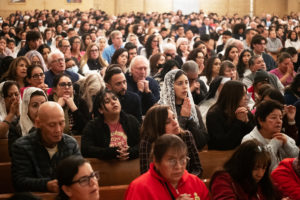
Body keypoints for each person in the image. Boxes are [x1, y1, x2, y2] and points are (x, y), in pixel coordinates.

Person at [11, 102, 81, 192]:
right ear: (38, 123)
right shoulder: (21, 147)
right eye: (52, 125)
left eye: (61, 123)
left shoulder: (71, 144)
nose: (58, 130)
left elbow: (80, 174)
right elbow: (19, 182)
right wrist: (46, 185)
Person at [125, 134, 210, 200]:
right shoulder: (140, 188)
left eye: (182, 159)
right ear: (156, 162)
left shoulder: (196, 183)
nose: (178, 166)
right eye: (172, 161)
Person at [139, 105, 202, 177]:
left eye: (174, 117)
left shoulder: (186, 136)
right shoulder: (147, 142)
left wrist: (184, 181)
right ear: (157, 126)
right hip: (158, 187)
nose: (175, 123)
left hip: (186, 183)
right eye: (167, 122)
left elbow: (198, 169)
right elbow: (146, 175)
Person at [81, 89, 140, 160]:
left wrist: (130, 152)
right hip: (104, 168)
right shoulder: (93, 126)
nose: (113, 102)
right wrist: (112, 152)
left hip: (131, 167)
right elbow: (86, 150)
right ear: (100, 110)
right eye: (107, 101)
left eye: (115, 99)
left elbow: (144, 144)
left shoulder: (131, 121)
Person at [210, 140, 279, 200]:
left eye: (264, 168)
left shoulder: (264, 181)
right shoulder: (223, 179)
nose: (260, 174)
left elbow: (282, 193)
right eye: (255, 168)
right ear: (243, 164)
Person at [242, 100, 299, 171]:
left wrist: (287, 144)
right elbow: (262, 168)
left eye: (281, 118)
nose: (279, 121)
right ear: (260, 121)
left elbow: (297, 160)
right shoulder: (249, 140)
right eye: (273, 118)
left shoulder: (283, 137)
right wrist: (274, 144)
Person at [158, 69, 208, 150]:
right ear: (170, 87)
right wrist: (184, 118)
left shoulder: (193, 108)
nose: (185, 86)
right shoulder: (160, 110)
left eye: (186, 82)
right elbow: (169, 142)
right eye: (180, 83)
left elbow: (202, 141)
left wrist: (190, 119)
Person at [206, 80, 255, 150]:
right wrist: (238, 121)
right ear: (233, 95)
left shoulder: (244, 111)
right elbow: (224, 144)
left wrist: (247, 122)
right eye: (243, 94)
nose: (247, 98)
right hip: (220, 157)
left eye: (246, 94)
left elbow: (254, 139)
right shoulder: (214, 114)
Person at [8, 87, 47, 152]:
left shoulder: (51, 121)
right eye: (35, 105)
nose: (40, 109)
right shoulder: (16, 125)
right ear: (26, 108)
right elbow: (14, 152)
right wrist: (34, 129)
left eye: (43, 104)